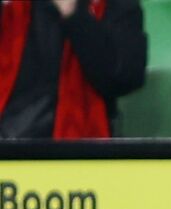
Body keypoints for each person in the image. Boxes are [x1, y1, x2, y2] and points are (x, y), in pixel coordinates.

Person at [0, 0, 146, 139]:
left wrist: (74, 15)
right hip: (9, 144)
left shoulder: (114, 5)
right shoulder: (9, 8)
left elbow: (126, 76)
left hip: (78, 150)